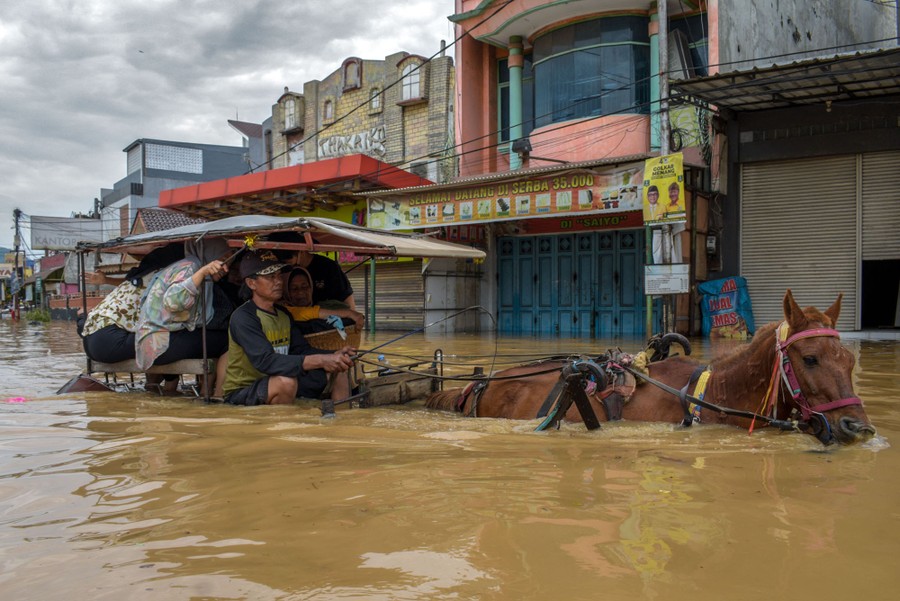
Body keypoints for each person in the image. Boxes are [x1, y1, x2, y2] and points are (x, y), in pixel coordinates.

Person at [223, 250, 355, 406]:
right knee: (286, 382)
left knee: (340, 367)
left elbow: (301, 349)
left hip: (280, 378)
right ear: (251, 283)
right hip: (245, 391)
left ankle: (340, 420)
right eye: (270, 277)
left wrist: (334, 355)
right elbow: (266, 361)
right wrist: (321, 360)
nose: (278, 281)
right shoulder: (244, 317)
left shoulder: (283, 314)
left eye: (279, 275)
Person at [134, 238, 235, 395]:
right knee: (230, 341)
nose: (225, 267)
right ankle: (217, 396)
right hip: (160, 343)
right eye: (222, 260)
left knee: (214, 338)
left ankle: (205, 391)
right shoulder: (191, 267)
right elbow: (173, 302)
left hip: (159, 339)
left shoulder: (191, 265)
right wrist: (202, 272)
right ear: (209, 254)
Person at [284, 266, 365, 327]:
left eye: (304, 287)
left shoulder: (326, 306)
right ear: (286, 292)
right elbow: (312, 313)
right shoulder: (286, 312)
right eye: (294, 289)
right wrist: (350, 313)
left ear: (311, 288)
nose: (300, 292)